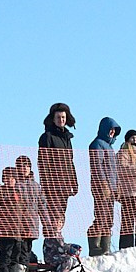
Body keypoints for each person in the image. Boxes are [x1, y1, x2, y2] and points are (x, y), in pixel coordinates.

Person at [36, 103, 77, 245]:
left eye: (63, 117)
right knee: (51, 217)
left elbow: (70, 161)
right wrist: (47, 184)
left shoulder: (67, 138)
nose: (61, 119)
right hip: (52, 185)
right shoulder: (46, 137)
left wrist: (74, 182)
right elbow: (43, 162)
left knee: (60, 217)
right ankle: (51, 246)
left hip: (65, 186)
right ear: (53, 119)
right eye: (58, 117)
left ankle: (58, 243)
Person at [86, 116, 120, 257]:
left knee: (109, 218)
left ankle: (105, 248)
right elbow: (97, 166)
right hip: (101, 187)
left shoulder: (110, 147)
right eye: (110, 129)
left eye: (114, 130)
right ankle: (95, 247)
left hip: (111, 188)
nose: (112, 132)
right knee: (101, 216)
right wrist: (103, 184)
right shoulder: (97, 144)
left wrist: (116, 187)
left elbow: (114, 169)